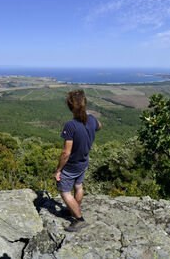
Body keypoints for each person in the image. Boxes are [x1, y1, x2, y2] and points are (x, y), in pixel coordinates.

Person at [54, 89, 102, 232]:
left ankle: (79, 219)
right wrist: (90, 123)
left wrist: (58, 170)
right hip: (83, 162)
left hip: (71, 165)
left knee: (65, 192)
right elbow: (99, 126)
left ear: (70, 107)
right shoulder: (91, 119)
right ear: (85, 103)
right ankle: (73, 210)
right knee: (79, 186)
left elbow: (66, 153)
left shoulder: (71, 125)